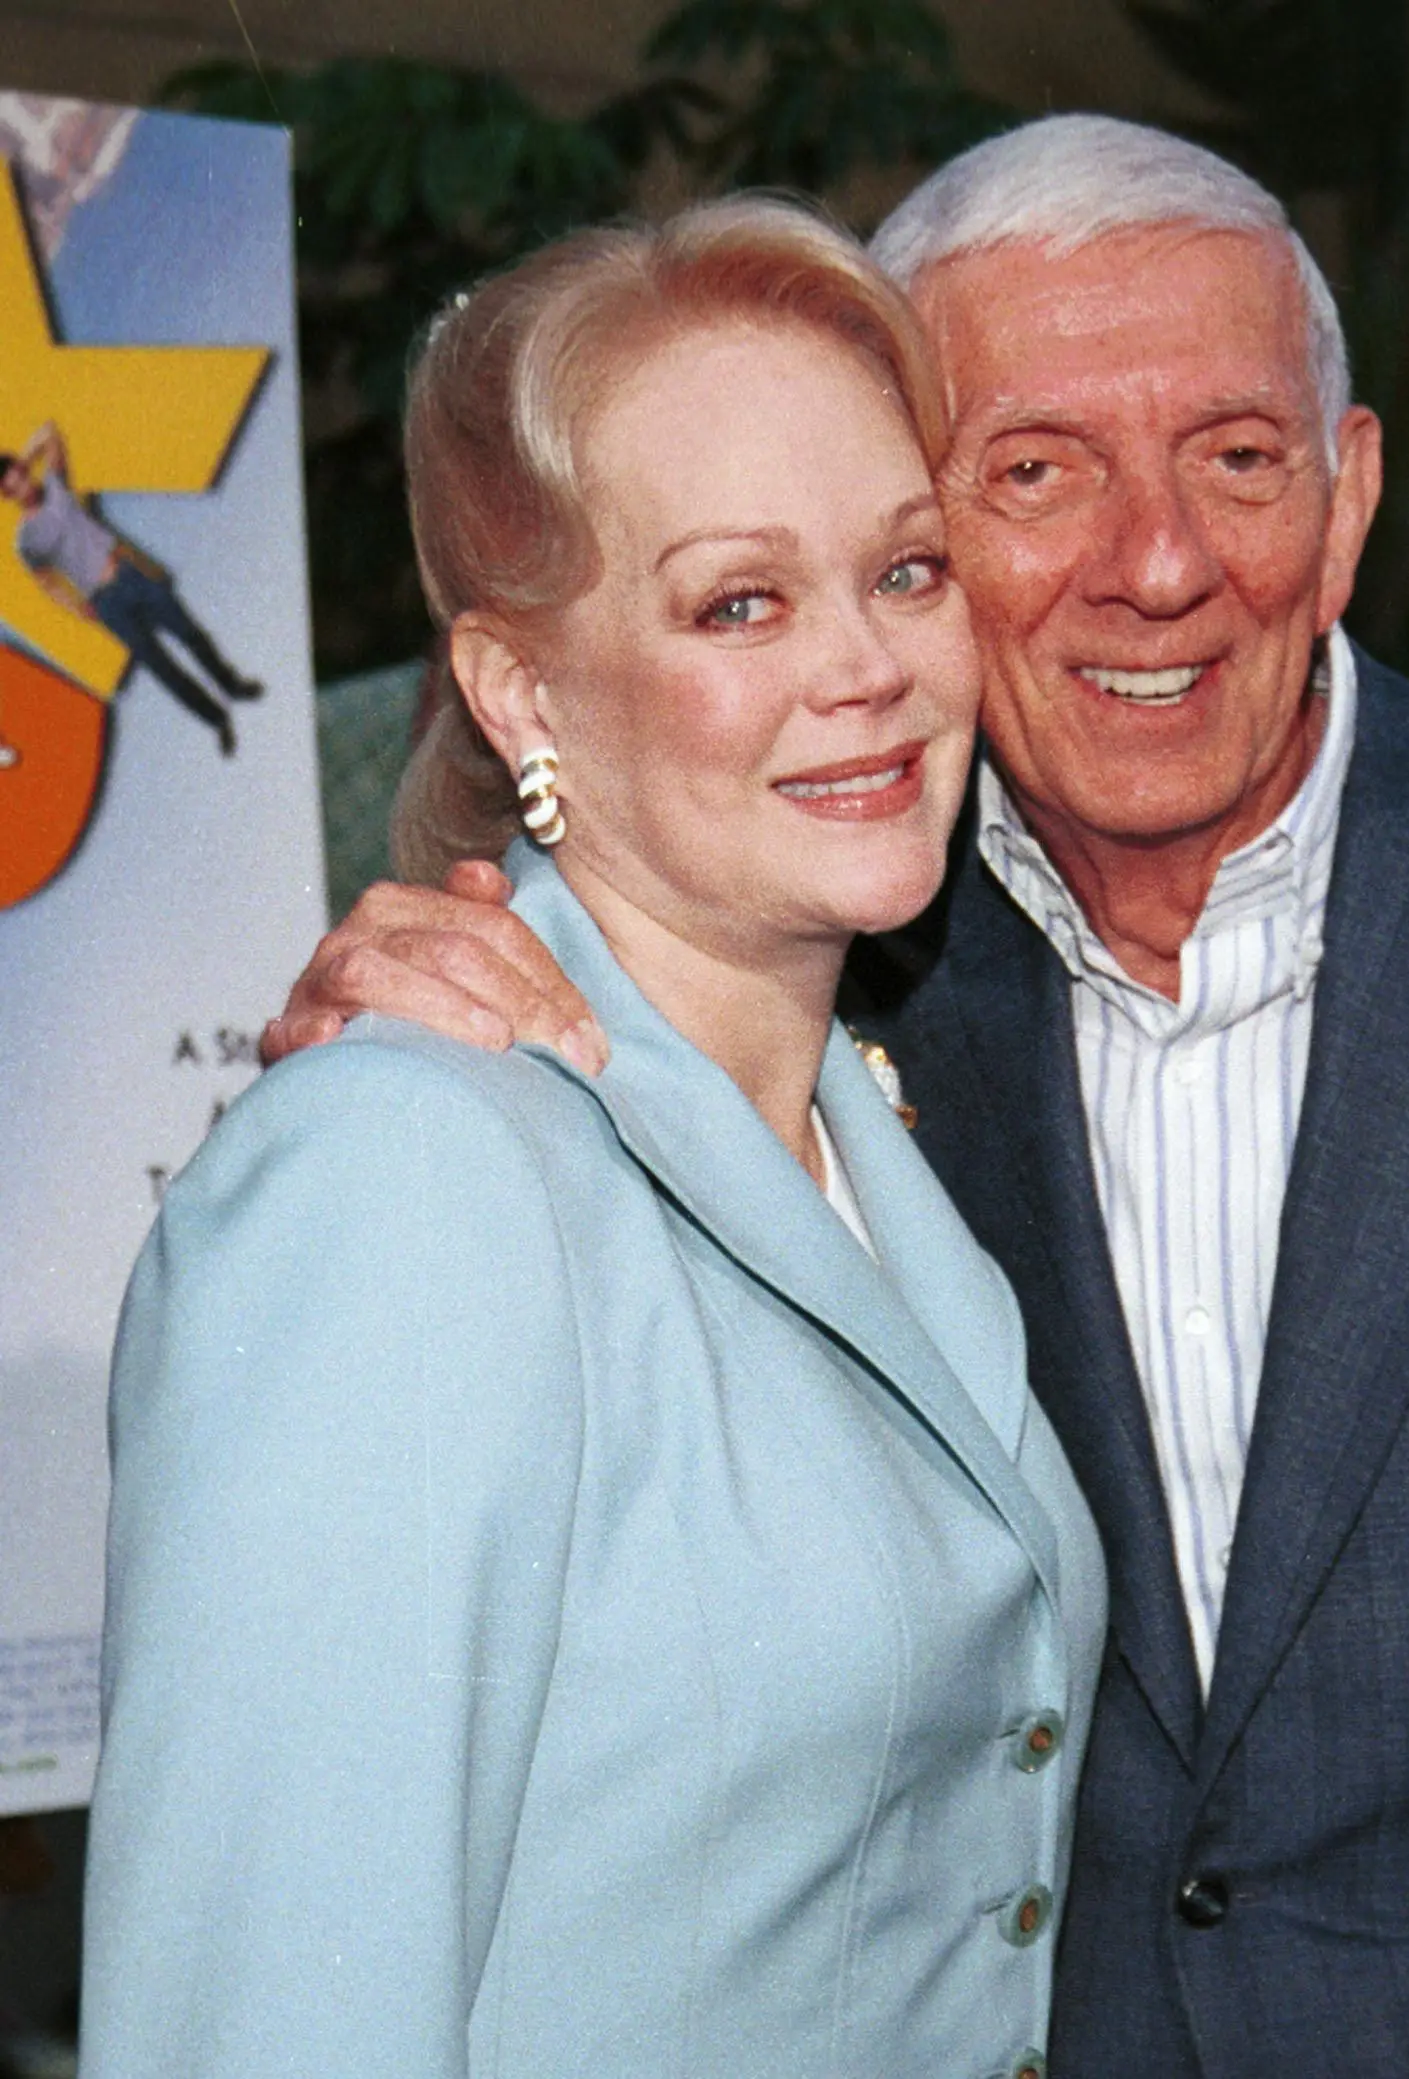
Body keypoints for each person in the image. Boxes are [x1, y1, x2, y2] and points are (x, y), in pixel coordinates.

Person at [266, 118, 1409, 2078]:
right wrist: (409, 984)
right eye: (1034, 474)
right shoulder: (837, 979)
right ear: (916, 533)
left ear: (1345, 500)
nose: (1157, 563)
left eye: (1236, 460)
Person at [80, 198, 1105, 2079]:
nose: (867, 666)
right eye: (739, 600)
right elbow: (266, 2011)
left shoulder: (869, 1138)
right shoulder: (403, 1178)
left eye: (905, 570)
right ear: (522, 690)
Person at [1, 420, 260, 756]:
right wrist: (78, 607)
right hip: (105, 604)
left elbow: (50, 432)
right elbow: (47, 583)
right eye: (14, 486)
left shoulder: (56, 486)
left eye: (22, 475)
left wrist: (23, 458)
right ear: (7, 496)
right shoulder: (26, 541)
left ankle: (232, 684)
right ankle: (217, 720)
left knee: (189, 632)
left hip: (129, 573)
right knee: (164, 670)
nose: (23, 484)